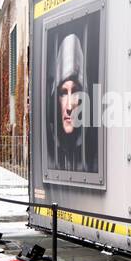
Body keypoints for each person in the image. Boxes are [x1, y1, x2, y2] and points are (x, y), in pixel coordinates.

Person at [52, 33, 88, 172]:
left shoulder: (90, 158)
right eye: (63, 93)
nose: (68, 107)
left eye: (75, 92)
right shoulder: (51, 153)